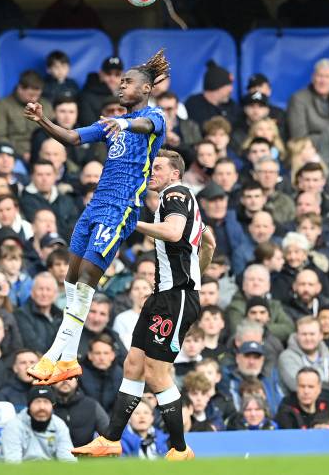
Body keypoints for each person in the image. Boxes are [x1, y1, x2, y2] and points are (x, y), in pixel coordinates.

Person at [23, 50, 169, 386]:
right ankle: (70, 359)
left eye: (128, 81)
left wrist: (124, 122)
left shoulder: (153, 117)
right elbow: (74, 138)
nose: (121, 86)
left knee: (88, 278)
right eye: (120, 82)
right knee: (72, 280)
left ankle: (53, 355)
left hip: (121, 206)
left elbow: (147, 125)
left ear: (145, 89)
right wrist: (42, 121)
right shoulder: (112, 126)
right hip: (95, 205)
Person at [72, 150, 214, 461]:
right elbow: (210, 242)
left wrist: (133, 221)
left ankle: (179, 449)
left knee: (156, 372)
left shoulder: (174, 194)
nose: (152, 172)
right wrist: (195, 273)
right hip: (164, 295)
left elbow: (175, 232)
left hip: (174, 297)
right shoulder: (187, 199)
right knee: (133, 364)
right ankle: (110, 439)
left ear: (175, 173)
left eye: (159, 168)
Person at [0, 386, 75, 463]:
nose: (42, 407)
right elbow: (12, 464)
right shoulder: (14, 426)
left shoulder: (59, 425)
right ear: (29, 406)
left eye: (46, 402)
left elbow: (69, 461)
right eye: (37, 402)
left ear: (52, 406)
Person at [287, 59, 329, 143]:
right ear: (313, 78)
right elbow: (299, 136)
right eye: (320, 76)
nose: (323, 81)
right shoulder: (299, 99)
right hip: (308, 151)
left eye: (327, 77)